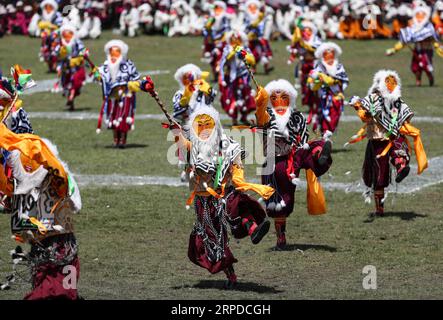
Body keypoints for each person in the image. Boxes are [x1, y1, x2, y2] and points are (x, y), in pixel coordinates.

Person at [0, 66, 82, 300]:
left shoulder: (55, 176)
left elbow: (75, 202)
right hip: (44, 245)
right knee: (52, 285)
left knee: (61, 287)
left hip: (59, 242)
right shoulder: (28, 181)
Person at [254, 79, 332, 250]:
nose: (280, 102)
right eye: (274, 98)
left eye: (284, 98)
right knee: (284, 201)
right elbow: (260, 115)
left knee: (313, 146)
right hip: (274, 163)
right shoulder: (266, 115)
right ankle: (281, 236)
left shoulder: (296, 117)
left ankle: (320, 158)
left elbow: (303, 137)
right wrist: (260, 101)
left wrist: (302, 143)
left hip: (293, 156)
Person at [347, 70, 428, 217]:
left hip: (384, 138)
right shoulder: (376, 99)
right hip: (384, 138)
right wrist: (359, 107)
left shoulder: (388, 100)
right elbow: (366, 117)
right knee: (384, 167)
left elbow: (403, 117)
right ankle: (400, 167)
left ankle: (400, 169)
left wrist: (360, 107)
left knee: (384, 166)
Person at [94, 39, 140, 148]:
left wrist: (131, 85)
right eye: (111, 52)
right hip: (112, 97)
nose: (114, 55)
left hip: (125, 95)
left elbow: (137, 79)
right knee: (113, 117)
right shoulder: (104, 67)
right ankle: (116, 139)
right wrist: (97, 75)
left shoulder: (128, 65)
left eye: (116, 52)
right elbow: (99, 79)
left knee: (123, 118)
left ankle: (123, 139)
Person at [386, 5, 443, 86]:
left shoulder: (429, 28)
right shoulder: (412, 28)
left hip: (427, 51)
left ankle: (430, 77)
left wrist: (440, 50)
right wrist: (394, 49)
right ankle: (418, 81)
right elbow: (404, 41)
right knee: (416, 68)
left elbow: (435, 42)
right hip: (417, 50)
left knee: (427, 67)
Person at [307, 42, 349, 134]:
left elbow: (343, 79)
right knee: (322, 116)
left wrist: (332, 81)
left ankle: (328, 132)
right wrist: (313, 80)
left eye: (332, 55)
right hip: (323, 97)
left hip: (336, 96)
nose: (330, 59)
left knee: (335, 116)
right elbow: (312, 77)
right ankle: (325, 133)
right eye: (327, 56)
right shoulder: (319, 67)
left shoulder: (339, 67)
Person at [287, 20, 322, 123]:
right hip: (304, 64)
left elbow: (314, 50)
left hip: (314, 65)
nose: (306, 33)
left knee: (315, 85)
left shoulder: (316, 40)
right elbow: (298, 52)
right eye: (304, 31)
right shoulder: (300, 41)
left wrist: (303, 44)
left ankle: (317, 107)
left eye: (308, 31)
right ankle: (311, 106)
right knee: (305, 86)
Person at [219, 30, 256, 126]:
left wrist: (244, 54)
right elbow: (223, 62)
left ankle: (244, 117)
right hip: (231, 77)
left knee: (245, 96)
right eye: (233, 38)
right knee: (232, 97)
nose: (235, 40)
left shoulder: (245, 48)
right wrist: (231, 54)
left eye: (237, 38)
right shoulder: (227, 48)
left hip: (244, 76)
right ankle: (234, 120)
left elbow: (252, 60)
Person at [55, 23, 88, 110]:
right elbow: (57, 56)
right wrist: (59, 67)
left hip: (76, 67)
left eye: (69, 34)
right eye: (65, 34)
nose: (67, 36)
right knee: (66, 85)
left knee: (75, 82)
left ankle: (71, 97)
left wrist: (79, 58)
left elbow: (84, 51)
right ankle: (71, 101)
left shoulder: (77, 42)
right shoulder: (60, 44)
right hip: (65, 67)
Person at [243, 0, 273, 74]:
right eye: (251, 8)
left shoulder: (260, 17)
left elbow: (261, 25)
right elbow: (245, 25)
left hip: (258, 38)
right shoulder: (246, 16)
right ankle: (253, 68)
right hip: (249, 39)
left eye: (254, 7)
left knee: (262, 53)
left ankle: (266, 67)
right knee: (250, 53)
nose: (252, 9)